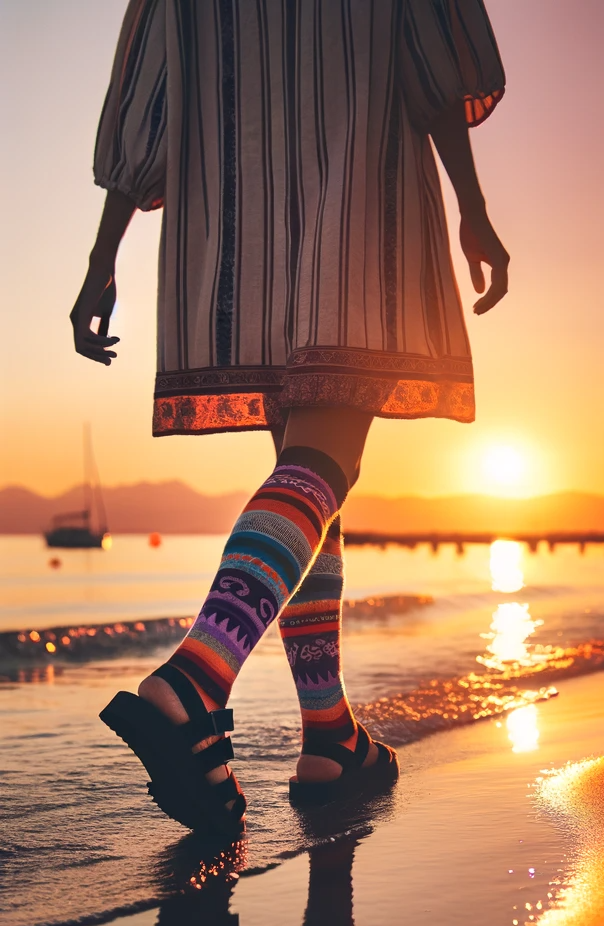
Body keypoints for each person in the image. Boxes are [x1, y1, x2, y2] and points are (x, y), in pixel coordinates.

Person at [74, 0, 510, 834]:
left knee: (308, 472)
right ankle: (194, 681)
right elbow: (438, 57)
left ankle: (328, 735)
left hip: (239, 222)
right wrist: (473, 207)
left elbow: (144, 90)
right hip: (359, 190)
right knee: (324, 465)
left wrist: (103, 257)